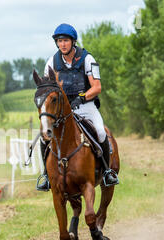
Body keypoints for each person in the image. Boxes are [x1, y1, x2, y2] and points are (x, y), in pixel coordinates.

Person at [36, 23, 119, 191]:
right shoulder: (51, 62)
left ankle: (107, 172)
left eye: (65, 40)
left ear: (72, 42)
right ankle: (46, 175)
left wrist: (81, 98)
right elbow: (47, 87)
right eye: (59, 41)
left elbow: (97, 87)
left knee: (101, 132)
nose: (62, 44)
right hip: (61, 110)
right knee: (45, 135)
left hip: (86, 106)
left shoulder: (87, 59)